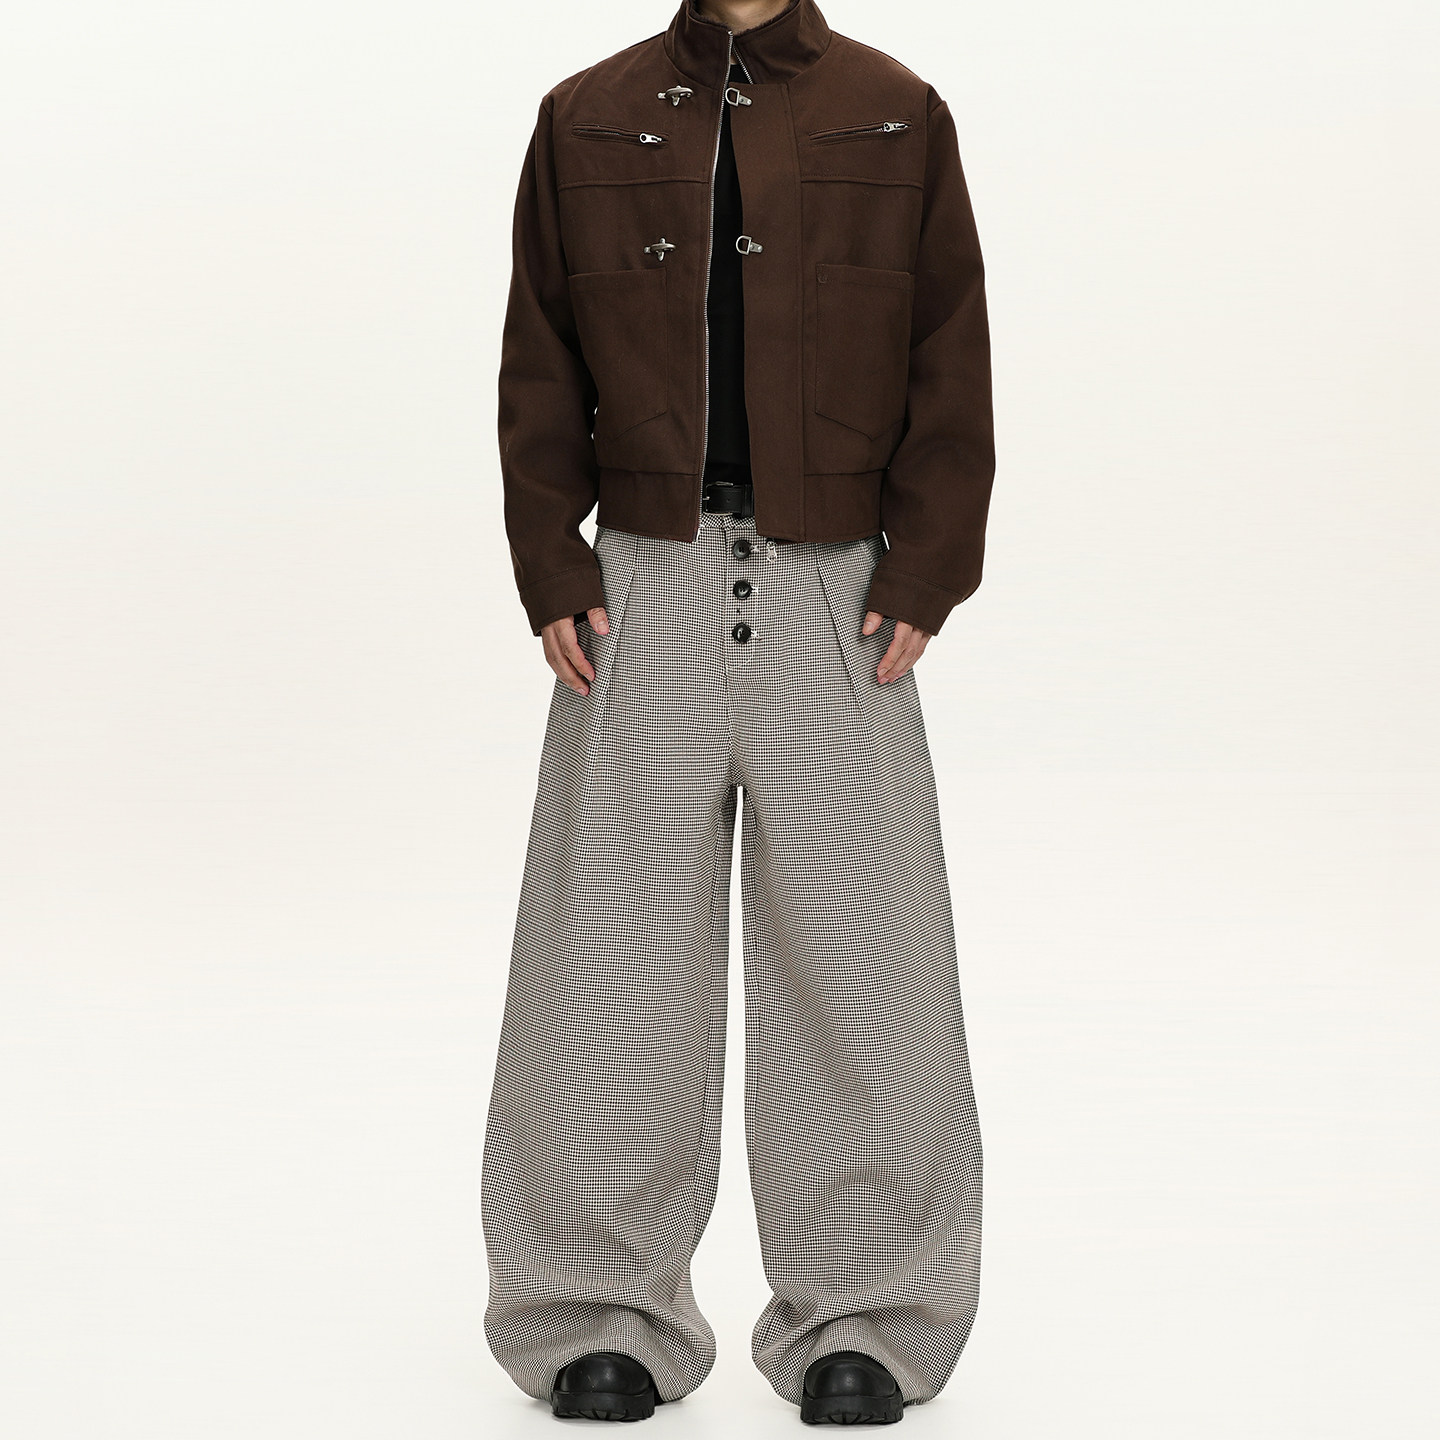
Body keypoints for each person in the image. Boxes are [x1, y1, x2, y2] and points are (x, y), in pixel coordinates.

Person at [481, 0, 994, 1423]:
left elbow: (951, 346)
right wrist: (551, 562)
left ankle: (866, 1316)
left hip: (842, 590)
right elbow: (537, 352)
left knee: (861, 961)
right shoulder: (584, 115)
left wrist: (927, 565)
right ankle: (598, 1310)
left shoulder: (896, 109)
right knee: (610, 961)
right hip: (640, 585)